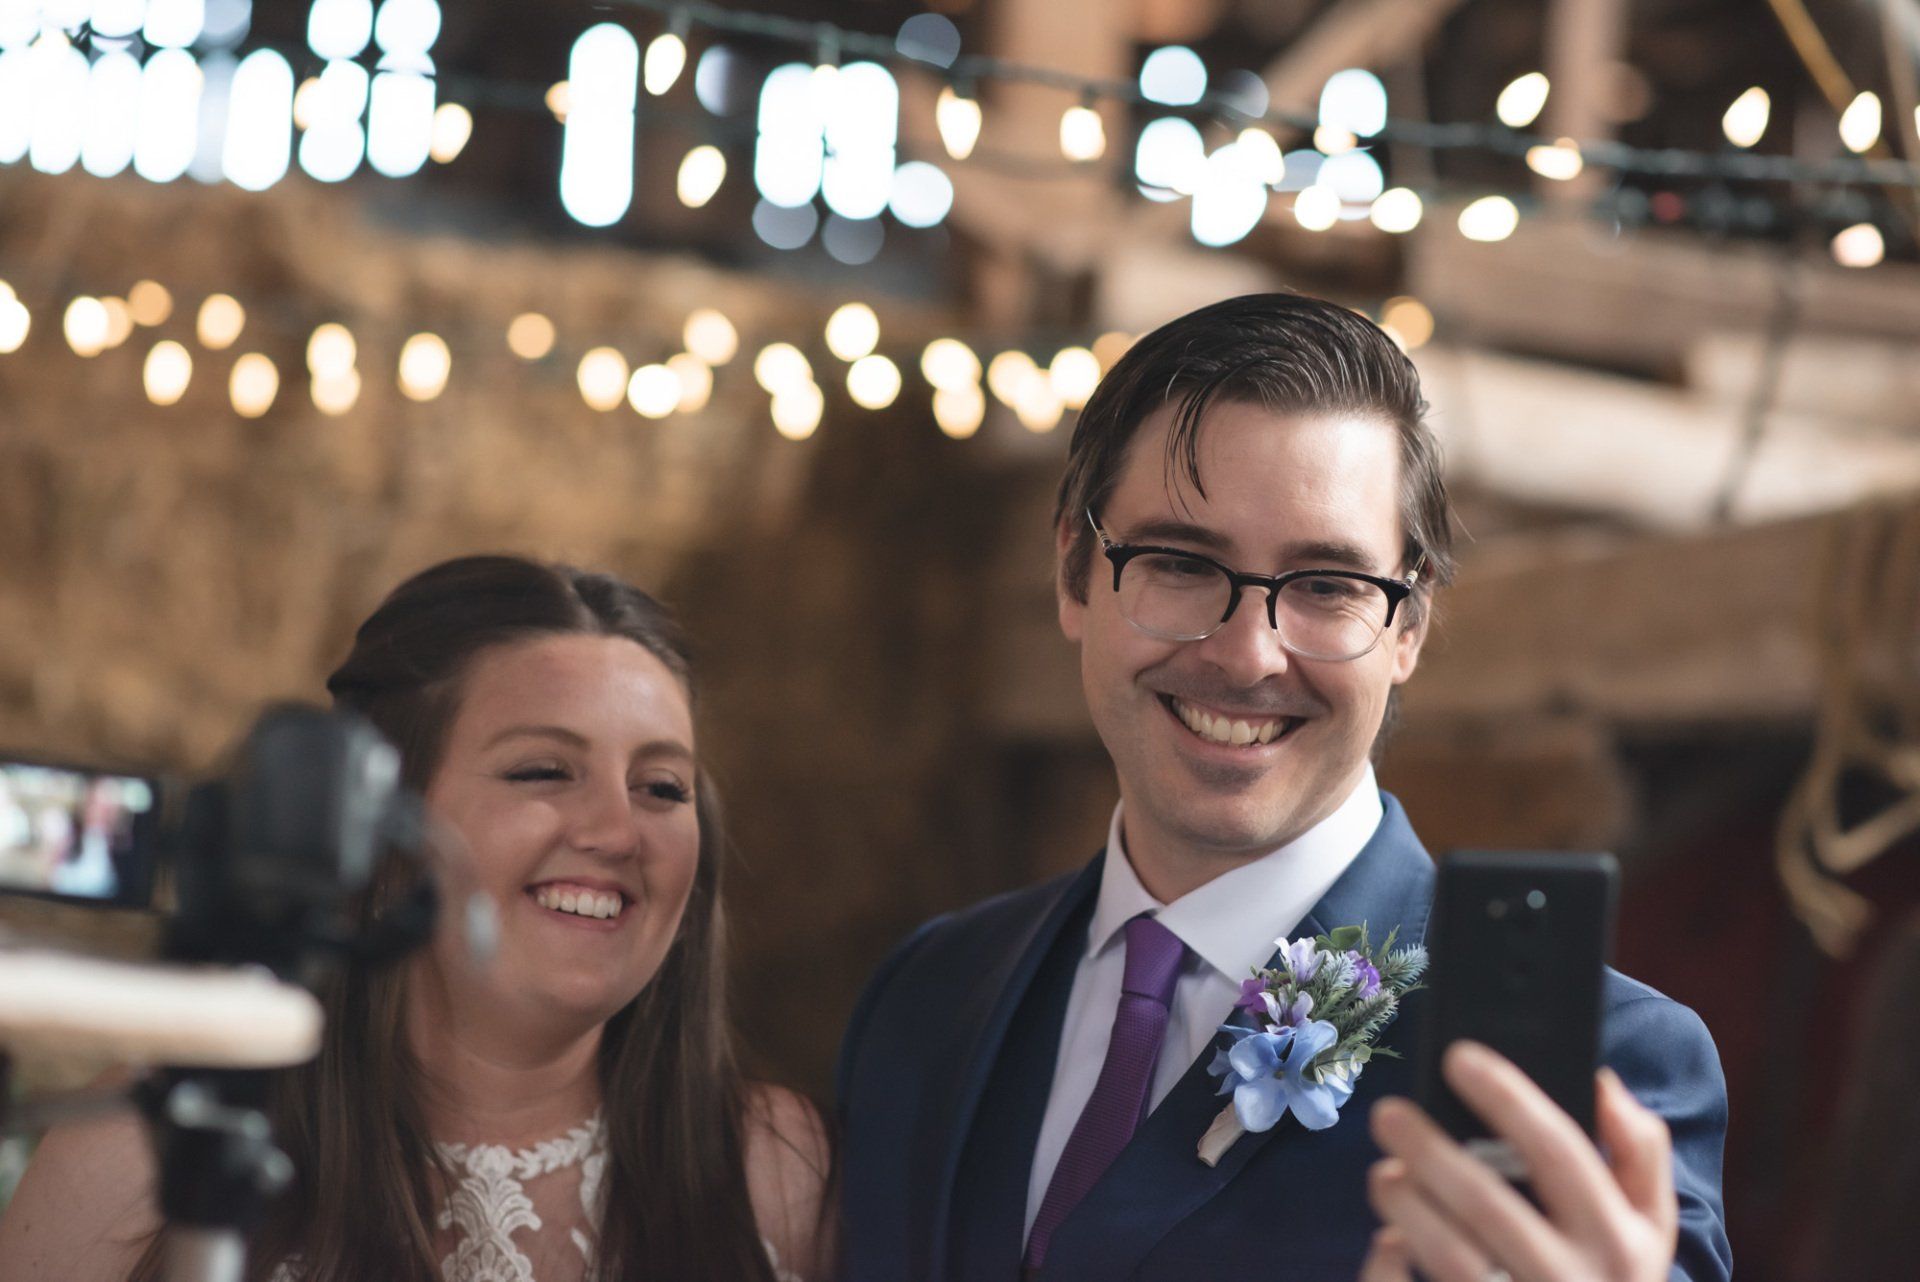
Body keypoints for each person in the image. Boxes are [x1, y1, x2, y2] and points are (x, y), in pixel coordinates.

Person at [836, 293, 1730, 1281]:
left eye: (1327, 586)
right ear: (1075, 572)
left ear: (1409, 626)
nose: (1248, 654)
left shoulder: (1602, 1071)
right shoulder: (925, 996)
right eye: (1180, 562)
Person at [0, 555, 831, 1282]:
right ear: (384, 825)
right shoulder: (137, 1158)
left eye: (662, 788)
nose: (617, 833)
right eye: (544, 770)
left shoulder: (775, 1170)